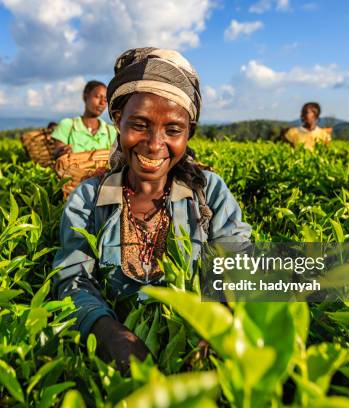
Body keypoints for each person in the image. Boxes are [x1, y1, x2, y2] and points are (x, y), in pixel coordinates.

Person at [52, 48, 252, 371]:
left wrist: (221, 320)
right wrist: (107, 332)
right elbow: (72, 277)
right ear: (118, 121)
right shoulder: (89, 199)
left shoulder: (209, 193)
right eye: (140, 125)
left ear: (188, 133)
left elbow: (237, 261)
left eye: (173, 130)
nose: (155, 144)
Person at [51, 80, 117, 158]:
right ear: (85, 97)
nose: (102, 103)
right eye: (98, 97)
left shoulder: (111, 131)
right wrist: (61, 152)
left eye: (106, 100)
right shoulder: (67, 125)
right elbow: (57, 153)